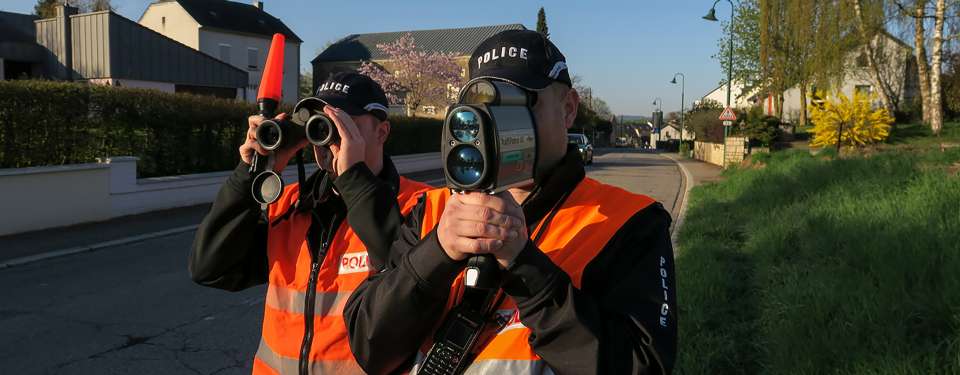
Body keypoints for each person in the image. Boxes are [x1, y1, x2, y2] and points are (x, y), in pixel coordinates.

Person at [343, 30, 678, 375]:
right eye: (483, 104)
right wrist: (436, 255)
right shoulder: (433, 210)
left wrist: (526, 268)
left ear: (567, 109)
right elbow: (371, 348)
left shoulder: (631, 223)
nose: (496, 122)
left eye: (519, 102)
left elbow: (643, 366)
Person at [189, 72, 432, 374]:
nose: (328, 137)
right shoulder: (290, 204)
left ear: (381, 132)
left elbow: (415, 289)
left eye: (344, 123)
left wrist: (354, 178)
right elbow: (210, 269)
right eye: (320, 125)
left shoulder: (421, 204)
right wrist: (250, 173)